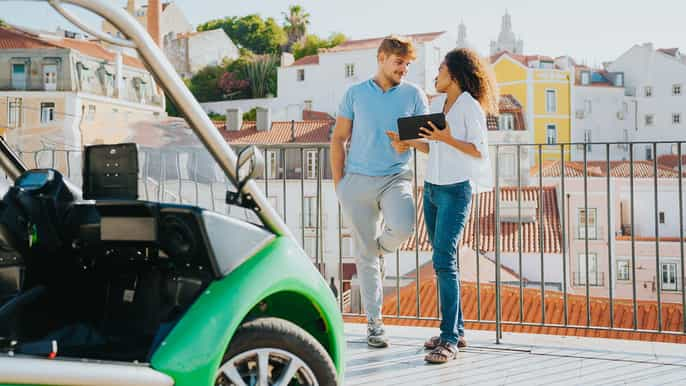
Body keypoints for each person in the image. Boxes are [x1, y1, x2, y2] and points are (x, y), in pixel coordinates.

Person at [388, 48, 497, 363]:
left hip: (455, 192)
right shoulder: (441, 104)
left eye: (440, 69)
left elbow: (478, 151)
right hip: (433, 190)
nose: (436, 75)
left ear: (456, 73)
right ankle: (456, 331)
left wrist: (446, 138)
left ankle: (448, 339)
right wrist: (408, 142)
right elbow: (435, 148)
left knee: (443, 261)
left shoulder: (469, 107)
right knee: (443, 262)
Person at [331, 35, 429, 348]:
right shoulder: (355, 93)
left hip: (395, 178)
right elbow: (339, 138)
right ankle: (374, 324)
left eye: (408, 64)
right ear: (382, 57)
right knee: (364, 257)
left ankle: (381, 248)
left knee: (403, 227)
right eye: (400, 62)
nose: (404, 69)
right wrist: (339, 184)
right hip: (356, 182)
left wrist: (406, 142)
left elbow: (426, 143)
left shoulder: (414, 94)